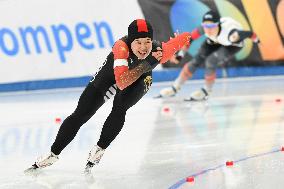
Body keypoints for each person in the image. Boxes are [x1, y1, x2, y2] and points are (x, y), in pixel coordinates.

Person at [24, 19, 191, 174]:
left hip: (141, 79)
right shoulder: (121, 48)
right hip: (113, 75)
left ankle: (100, 148)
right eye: (138, 42)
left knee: (120, 107)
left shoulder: (159, 51)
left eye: (147, 41)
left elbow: (185, 37)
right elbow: (122, 81)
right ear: (130, 41)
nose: (143, 47)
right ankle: (53, 153)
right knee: (81, 113)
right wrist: (149, 63)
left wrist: (181, 44)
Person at [157, 10, 260, 101]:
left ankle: (207, 90)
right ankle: (175, 87)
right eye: (205, 26)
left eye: (211, 26)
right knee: (196, 60)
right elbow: (189, 39)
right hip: (214, 39)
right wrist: (180, 55)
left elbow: (250, 33)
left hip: (231, 45)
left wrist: (257, 40)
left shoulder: (232, 34)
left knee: (211, 61)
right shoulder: (204, 29)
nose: (208, 29)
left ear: (218, 24)